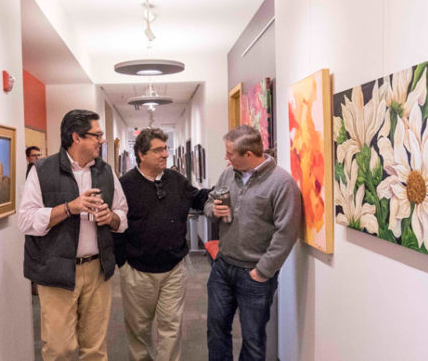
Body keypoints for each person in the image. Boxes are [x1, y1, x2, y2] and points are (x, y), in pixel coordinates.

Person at [18, 109, 128, 361]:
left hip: (98, 270)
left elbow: (122, 215)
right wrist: (70, 208)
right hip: (55, 270)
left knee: (95, 349)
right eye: (97, 135)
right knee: (60, 349)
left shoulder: (106, 171)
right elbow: (25, 220)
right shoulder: (41, 170)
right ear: (76, 137)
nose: (102, 140)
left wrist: (109, 217)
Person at [204, 125, 303, 361]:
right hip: (222, 267)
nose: (226, 158)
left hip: (254, 274)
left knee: (253, 341)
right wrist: (213, 210)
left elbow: (286, 232)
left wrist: (262, 272)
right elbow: (209, 203)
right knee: (216, 333)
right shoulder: (229, 174)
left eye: (230, 154)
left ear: (248, 154)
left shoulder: (281, 183)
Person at [115, 128, 210, 361]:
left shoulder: (176, 179)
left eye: (165, 149)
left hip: (174, 269)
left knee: (171, 327)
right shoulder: (125, 184)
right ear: (141, 154)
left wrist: (218, 194)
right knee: (139, 329)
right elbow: (115, 224)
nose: (165, 155)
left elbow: (196, 197)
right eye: (158, 150)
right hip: (137, 270)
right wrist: (122, 262)